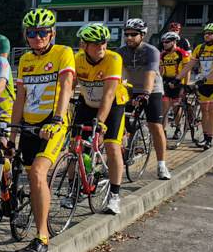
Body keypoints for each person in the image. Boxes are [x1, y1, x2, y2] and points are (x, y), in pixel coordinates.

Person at [9, 8, 75, 252]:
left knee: (38, 173)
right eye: (32, 33)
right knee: (34, 180)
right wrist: (13, 133)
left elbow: (67, 85)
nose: (37, 37)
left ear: (52, 33)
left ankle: (42, 239)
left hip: (52, 122)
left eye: (42, 33)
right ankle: (38, 231)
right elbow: (20, 98)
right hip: (29, 124)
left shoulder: (63, 53)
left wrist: (58, 118)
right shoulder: (25, 60)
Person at [71, 23, 128, 215]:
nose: (101, 47)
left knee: (112, 147)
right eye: (96, 44)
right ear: (84, 45)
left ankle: (114, 195)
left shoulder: (113, 58)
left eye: (104, 43)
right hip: (87, 103)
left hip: (113, 106)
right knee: (75, 145)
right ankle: (74, 190)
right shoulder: (77, 59)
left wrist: (100, 122)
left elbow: (109, 95)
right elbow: (69, 86)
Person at [118, 18, 171, 181]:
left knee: (155, 125)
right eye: (126, 34)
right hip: (132, 88)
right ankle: (125, 155)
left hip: (152, 89)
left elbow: (150, 75)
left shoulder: (151, 51)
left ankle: (162, 165)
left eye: (133, 34)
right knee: (122, 124)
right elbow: (119, 75)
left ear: (142, 35)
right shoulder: (121, 51)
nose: (129, 38)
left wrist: (146, 94)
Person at [180, 23, 213, 150]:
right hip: (203, 82)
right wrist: (177, 78)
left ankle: (209, 139)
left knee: (212, 109)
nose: (207, 36)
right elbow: (189, 65)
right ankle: (206, 136)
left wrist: (208, 77)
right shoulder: (199, 48)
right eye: (205, 33)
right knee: (204, 110)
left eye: (210, 33)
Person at [159, 31, 190, 140]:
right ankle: (163, 131)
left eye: (167, 42)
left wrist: (185, 86)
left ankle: (178, 128)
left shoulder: (182, 53)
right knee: (164, 109)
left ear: (174, 42)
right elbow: (160, 70)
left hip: (179, 82)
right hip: (167, 81)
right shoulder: (162, 54)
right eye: (163, 42)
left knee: (176, 107)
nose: (164, 44)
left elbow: (187, 71)